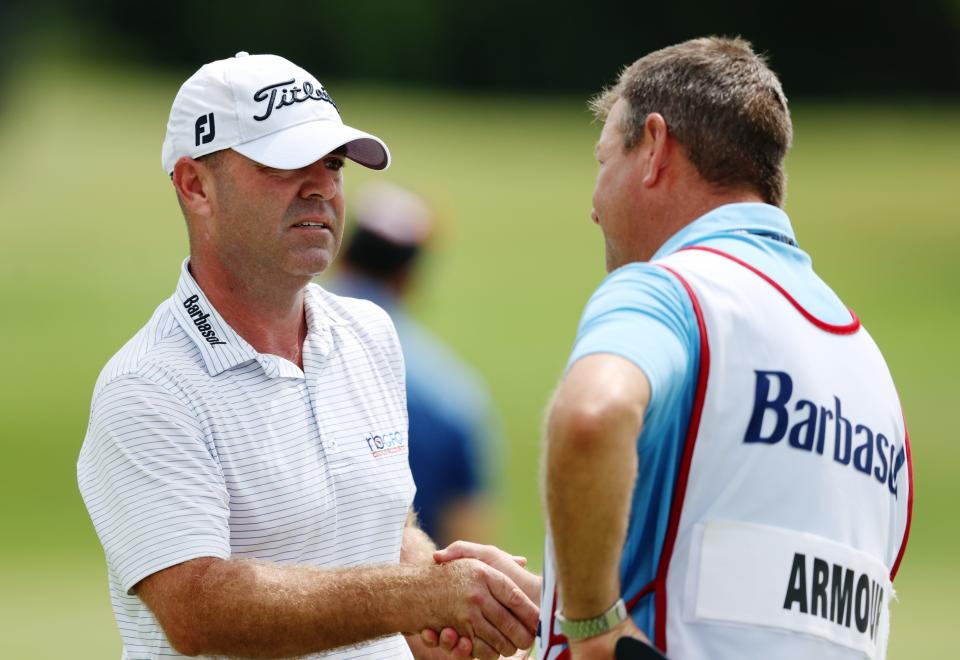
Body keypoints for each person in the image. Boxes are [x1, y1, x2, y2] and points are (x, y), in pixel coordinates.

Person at [76, 51, 539, 660]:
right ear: (196, 186)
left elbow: (382, 529)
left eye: (333, 163)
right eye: (284, 163)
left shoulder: (369, 332)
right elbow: (197, 607)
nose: (321, 184)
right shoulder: (147, 386)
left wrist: (448, 604)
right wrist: (423, 595)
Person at [536, 37, 914, 660]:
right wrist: (549, 600)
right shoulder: (870, 369)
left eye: (604, 162)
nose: (595, 206)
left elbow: (591, 416)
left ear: (654, 148)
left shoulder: (670, 289)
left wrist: (590, 625)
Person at [329, 182, 498, 547]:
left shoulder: (261, 345)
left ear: (340, 255)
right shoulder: (453, 395)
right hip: (403, 592)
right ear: (409, 277)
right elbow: (468, 543)